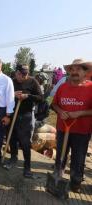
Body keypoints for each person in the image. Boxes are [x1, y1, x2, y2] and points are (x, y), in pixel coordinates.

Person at [51, 59, 92, 193]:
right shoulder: (63, 87)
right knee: (60, 156)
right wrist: (60, 111)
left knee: (78, 158)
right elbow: (54, 104)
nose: (74, 72)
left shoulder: (90, 87)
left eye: (78, 69)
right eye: (72, 70)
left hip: (82, 130)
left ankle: (75, 182)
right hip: (63, 128)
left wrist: (80, 112)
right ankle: (57, 178)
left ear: (85, 72)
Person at [4, 64, 43, 178]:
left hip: (26, 115)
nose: (23, 76)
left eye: (25, 74)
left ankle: (27, 166)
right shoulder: (11, 82)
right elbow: (5, 95)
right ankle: (13, 158)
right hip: (12, 114)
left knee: (25, 141)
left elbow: (41, 97)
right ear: (16, 72)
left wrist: (28, 96)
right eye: (20, 74)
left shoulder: (33, 82)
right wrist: (13, 95)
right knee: (12, 137)